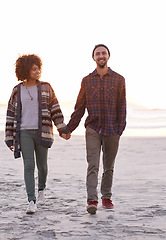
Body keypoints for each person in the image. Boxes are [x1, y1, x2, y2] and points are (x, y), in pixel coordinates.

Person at [61, 44, 126, 214]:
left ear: (108, 56)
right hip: (93, 129)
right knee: (93, 165)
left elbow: (122, 107)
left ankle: (106, 196)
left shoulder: (119, 80)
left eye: (103, 53)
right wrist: (68, 128)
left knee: (109, 166)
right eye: (98, 53)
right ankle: (92, 200)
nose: (101, 56)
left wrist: (120, 128)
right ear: (94, 58)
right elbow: (79, 108)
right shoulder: (87, 81)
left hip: (113, 129)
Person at [5, 54, 69, 214]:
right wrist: (9, 137)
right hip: (24, 132)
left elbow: (55, 109)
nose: (37, 71)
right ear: (26, 70)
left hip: (43, 132)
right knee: (28, 166)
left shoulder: (46, 87)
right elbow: (11, 113)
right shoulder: (17, 90)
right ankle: (31, 201)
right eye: (34, 69)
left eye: (38, 68)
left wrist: (62, 129)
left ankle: (41, 189)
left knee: (43, 167)